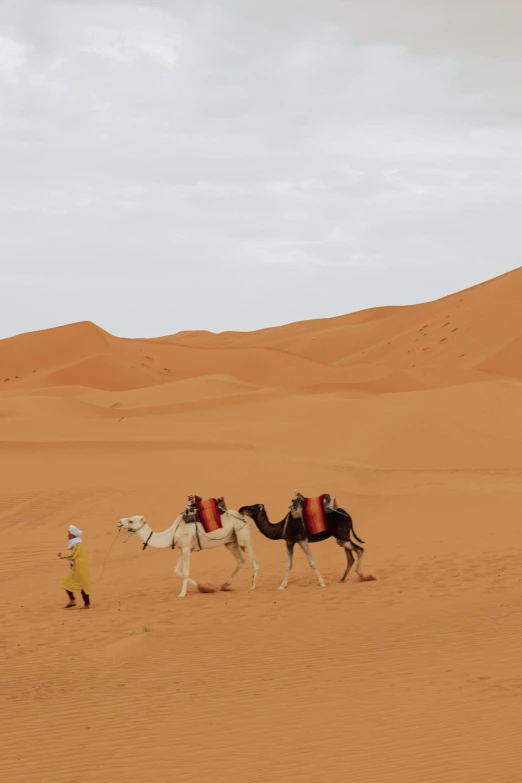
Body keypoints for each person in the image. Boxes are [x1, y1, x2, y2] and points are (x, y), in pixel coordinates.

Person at [58, 524, 91, 609]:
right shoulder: (75, 544)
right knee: (66, 584)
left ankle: (87, 604)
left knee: (83, 586)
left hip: (80, 568)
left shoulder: (77, 545)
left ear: (72, 535)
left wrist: (62, 556)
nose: (68, 536)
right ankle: (72, 601)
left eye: (69, 534)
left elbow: (73, 556)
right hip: (76, 567)